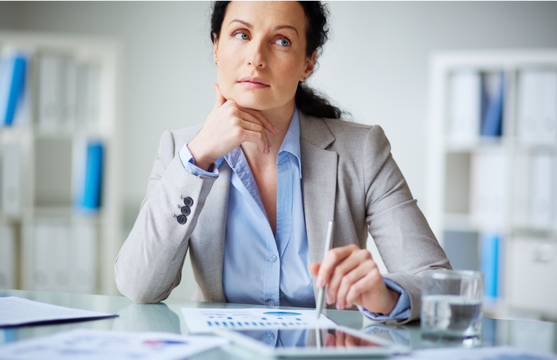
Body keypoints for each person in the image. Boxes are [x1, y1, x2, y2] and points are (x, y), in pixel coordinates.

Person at [115, 0, 452, 324]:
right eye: (242, 35)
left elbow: (443, 285)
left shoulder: (362, 151)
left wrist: (388, 296)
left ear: (308, 62)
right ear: (216, 47)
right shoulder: (181, 150)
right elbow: (139, 286)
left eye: (281, 40)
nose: (256, 58)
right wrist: (198, 156)